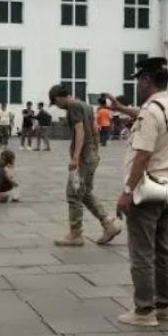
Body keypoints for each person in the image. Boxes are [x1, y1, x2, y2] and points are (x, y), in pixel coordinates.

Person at [105, 57, 168, 327]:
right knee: (164, 251)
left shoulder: (151, 111)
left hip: (146, 189)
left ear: (146, 81)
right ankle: (165, 306)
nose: (138, 84)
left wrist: (127, 190)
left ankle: (143, 311)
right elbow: (145, 115)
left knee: (142, 252)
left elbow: (142, 155)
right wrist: (121, 109)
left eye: (139, 80)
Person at [49, 84, 121, 247]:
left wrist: (75, 158)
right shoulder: (87, 106)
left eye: (55, 103)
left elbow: (79, 131)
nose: (58, 107)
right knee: (85, 193)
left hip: (83, 157)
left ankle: (75, 234)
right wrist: (94, 152)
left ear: (59, 98)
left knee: (73, 194)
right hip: (91, 155)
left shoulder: (73, 107)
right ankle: (109, 224)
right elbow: (95, 130)